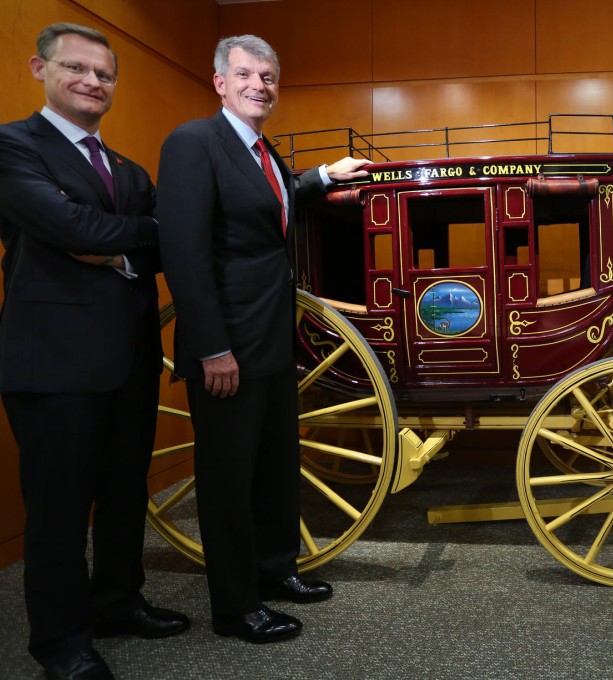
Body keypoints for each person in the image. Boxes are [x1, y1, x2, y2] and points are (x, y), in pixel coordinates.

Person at [156, 34, 370, 644]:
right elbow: (185, 253)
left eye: (269, 76)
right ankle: (235, 606)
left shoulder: (264, 153)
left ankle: (276, 573)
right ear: (220, 82)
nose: (260, 86)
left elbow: (272, 200)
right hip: (227, 350)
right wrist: (211, 347)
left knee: (275, 467)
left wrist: (325, 175)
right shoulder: (193, 144)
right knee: (227, 480)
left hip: (272, 343)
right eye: (246, 75)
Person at [0, 22, 190, 680]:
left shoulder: (128, 171)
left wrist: (113, 241)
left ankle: (118, 601)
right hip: (52, 363)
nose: (93, 81)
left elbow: (165, 240)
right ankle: (62, 644)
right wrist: (132, 232)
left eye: (105, 74)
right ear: (39, 68)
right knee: (56, 509)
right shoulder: (10, 146)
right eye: (76, 68)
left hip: (131, 357)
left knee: (124, 492)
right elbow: (64, 224)